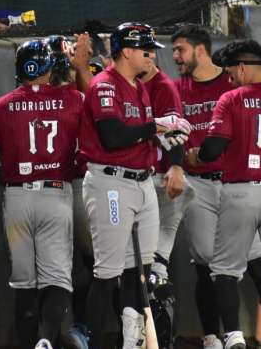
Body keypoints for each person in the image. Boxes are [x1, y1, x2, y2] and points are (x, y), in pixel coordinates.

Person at [186, 39, 261, 349]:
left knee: (225, 270)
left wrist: (194, 157)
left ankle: (233, 337)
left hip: (240, 192)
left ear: (242, 67)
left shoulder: (231, 99)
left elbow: (214, 148)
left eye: (230, 72)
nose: (228, 79)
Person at [79, 22, 190, 349]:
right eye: (145, 48)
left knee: (137, 271)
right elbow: (113, 137)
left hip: (142, 183)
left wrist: (168, 137)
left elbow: (141, 132)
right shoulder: (104, 85)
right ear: (125, 51)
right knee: (107, 274)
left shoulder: (139, 87)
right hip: (111, 183)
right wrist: (156, 126)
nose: (152, 54)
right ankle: (94, 342)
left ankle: (131, 340)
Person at [0, 38, 83, 349]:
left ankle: (29, 343)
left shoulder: (0, 105)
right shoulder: (72, 100)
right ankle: (46, 340)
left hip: (18, 198)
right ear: (48, 68)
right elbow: (89, 147)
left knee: (24, 282)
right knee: (57, 279)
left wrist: (13, 170)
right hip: (55, 193)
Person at [172, 25, 234, 349]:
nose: (175, 57)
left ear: (200, 50)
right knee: (206, 263)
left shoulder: (230, 82)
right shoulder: (175, 89)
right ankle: (212, 336)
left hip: (236, 182)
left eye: (180, 50)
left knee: (252, 262)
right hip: (197, 183)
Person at [138, 57, 190, 348]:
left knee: (154, 272)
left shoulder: (163, 88)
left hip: (162, 183)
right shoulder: (129, 85)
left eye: (147, 52)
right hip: (146, 183)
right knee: (145, 272)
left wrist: (177, 166)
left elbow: (175, 134)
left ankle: (161, 342)